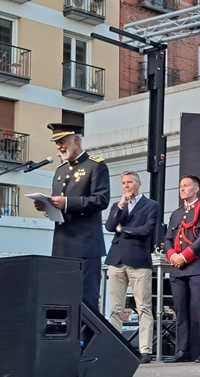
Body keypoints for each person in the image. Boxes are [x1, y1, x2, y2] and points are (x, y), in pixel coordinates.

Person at [36, 123, 110, 311]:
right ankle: (65, 340)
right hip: (62, 245)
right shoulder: (60, 171)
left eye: (63, 141)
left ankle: (85, 340)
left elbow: (101, 200)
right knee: (61, 298)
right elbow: (59, 207)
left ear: (76, 139)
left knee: (86, 300)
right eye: (57, 143)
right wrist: (47, 206)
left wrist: (67, 203)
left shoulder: (96, 166)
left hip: (85, 245)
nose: (59, 146)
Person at [104, 171, 160, 364]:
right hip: (116, 261)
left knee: (143, 307)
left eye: (129, 182)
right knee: (115, 308)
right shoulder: (118, 205)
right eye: (123, 183)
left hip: (138, 261)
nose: (126, 186)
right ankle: (115, 347)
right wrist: (120, 205)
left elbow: (147, 230)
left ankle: (145, 350)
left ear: (138, 184)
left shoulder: (151, 205)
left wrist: (124, 230)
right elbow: (110, 226)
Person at [164, 175, 200, 363]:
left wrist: (183, 257)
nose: (182, 189)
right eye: (180, 186)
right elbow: (167, 239)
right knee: (180, 311)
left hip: (196, 266)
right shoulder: (176, 214)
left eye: (186, 186)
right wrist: (172, 255)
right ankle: (182, 350)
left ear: (196, 189)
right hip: (177, 269)